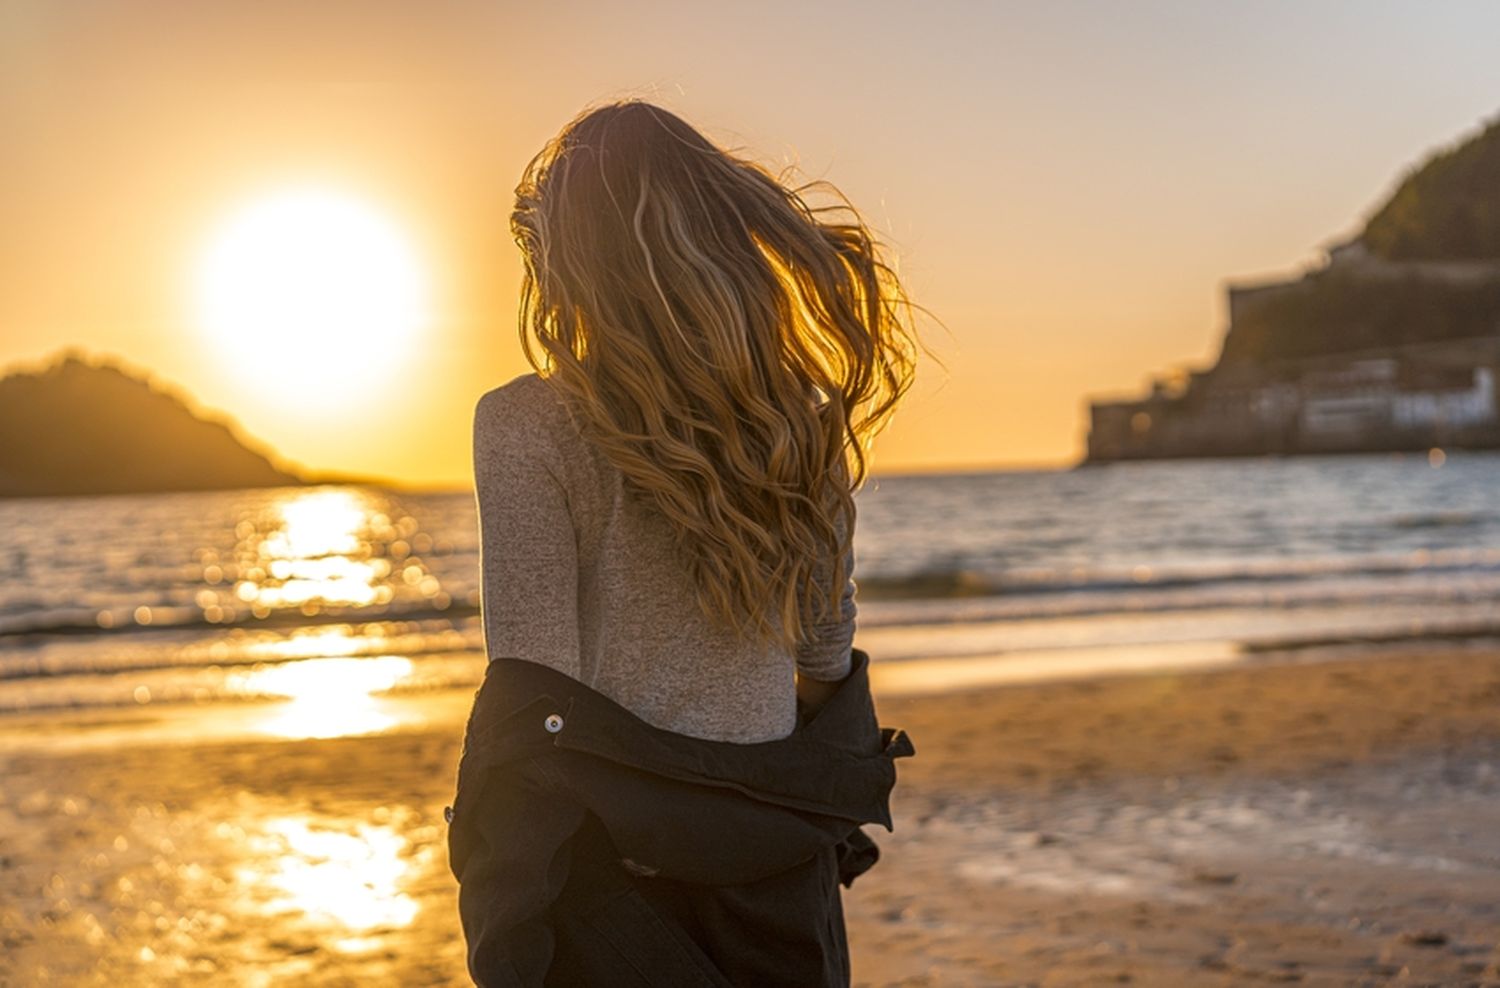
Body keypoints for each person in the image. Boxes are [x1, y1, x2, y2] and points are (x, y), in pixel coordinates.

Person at [447, 98, 925, 987]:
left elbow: (532, 692)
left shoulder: (527, 423)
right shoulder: (796, 424)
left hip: (617, 892)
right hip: (779, 881)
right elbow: (823, 658)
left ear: (571, 261)